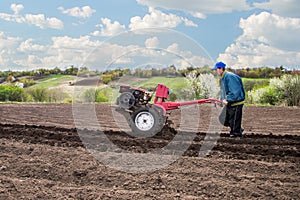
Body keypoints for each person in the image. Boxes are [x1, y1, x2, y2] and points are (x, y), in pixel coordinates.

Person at [212, 61, 245, 137]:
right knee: (223, 119)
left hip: (236, 102)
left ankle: (236, 133)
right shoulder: (223, 78)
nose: (215, 71)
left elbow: (235, 91)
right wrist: (220, 100)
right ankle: (237, 128)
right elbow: (223, 91)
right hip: (230, 102)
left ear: (221, 69)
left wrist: (227, 99)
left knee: (234, 123)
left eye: (216, 69)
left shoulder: (229, 77)